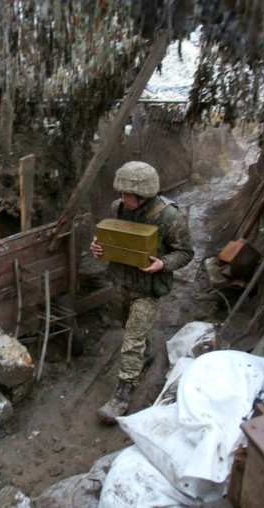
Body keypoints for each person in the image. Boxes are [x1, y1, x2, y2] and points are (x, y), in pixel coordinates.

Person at [90, 161, 194, 424]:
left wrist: (163, 264)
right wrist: (99, 247)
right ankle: (145, 351)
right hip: (121, 282)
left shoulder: (169, 217)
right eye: (120, 193)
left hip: (148, 288)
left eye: (128, 194)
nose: (122, 199)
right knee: (126, 325)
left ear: (144, 194)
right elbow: (113, 238)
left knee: (132, 340)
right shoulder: (118, 209)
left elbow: (185, 252)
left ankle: (121, 396)